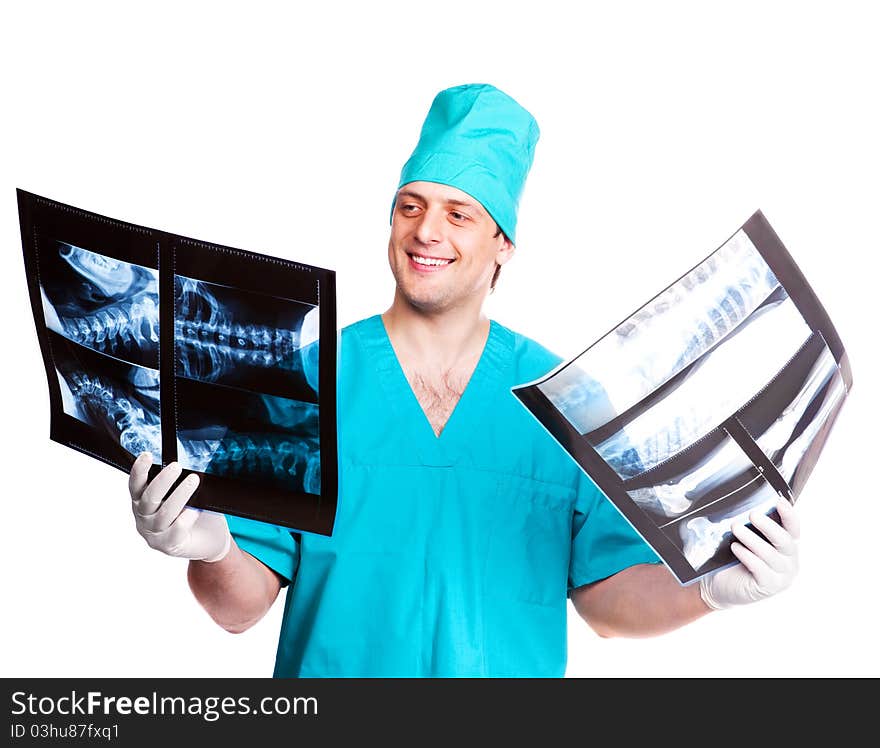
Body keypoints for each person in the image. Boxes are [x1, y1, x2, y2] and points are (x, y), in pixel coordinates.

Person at [129, 83, 800, 677]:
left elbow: (604, 601)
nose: (426, 232)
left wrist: (711, 591)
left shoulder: (563, 398)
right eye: (410, 206)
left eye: (459, 214)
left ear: (502, 242)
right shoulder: (308, 379)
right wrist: (210, 546)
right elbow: (239, 608)